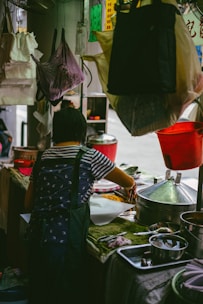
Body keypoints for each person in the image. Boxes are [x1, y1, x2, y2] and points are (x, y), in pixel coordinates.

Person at [24, 106, 136, 304]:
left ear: (56, 132)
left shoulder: (42, 158)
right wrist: (131, 187)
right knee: (65, 294)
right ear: (81, 131)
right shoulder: (89, 155)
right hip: (66, 239)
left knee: (40, 290)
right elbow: (127, 181)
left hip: (37, 236)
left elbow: (28, 203)